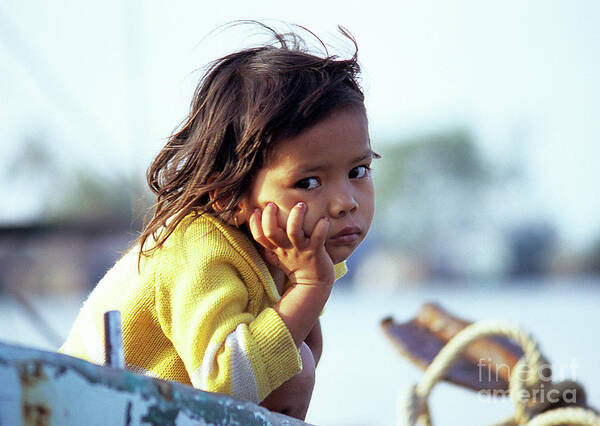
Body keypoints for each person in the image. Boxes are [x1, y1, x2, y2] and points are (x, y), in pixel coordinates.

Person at [60, 23, 377, 420]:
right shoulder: (200, 248)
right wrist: (311, 286)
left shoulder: (290, 250)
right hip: (80, 408)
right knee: (289, 369)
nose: (345, 202)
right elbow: (225, 383)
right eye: (308, 182)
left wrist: (303, 284)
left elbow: (298, 357)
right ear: (229, 195)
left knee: (294, 365)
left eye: (358, 171)